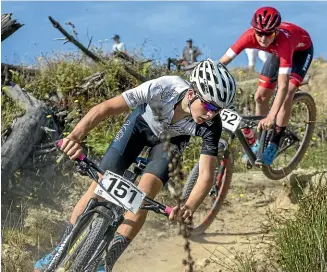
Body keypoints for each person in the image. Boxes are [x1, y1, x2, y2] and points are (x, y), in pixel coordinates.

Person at [33, 58, 236, 272]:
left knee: (144, 194)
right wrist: (74, 137)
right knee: (101, 184)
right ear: (192, 93)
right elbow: (106, 108)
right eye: (209, 105)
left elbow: (206, 174)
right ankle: (61, 249)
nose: (212, 114)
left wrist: (188, 208)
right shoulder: (164, 87)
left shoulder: (212, 124)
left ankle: (106, 262)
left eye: (218, 110)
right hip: (140, 126)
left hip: (170, 142)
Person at [219, 6, 313, 165]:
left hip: (299, 52)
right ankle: (260, 141)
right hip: (277, 53)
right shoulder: (248, 36)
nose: (263, 38)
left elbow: (282, 87)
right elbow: (221, 63)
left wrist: (271, 116)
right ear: (253, 30)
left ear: (275, 32)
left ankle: (275, 142)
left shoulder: (284, 42)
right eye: (259, 33)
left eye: (268, 33)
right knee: (260, 96)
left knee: (288, 91)